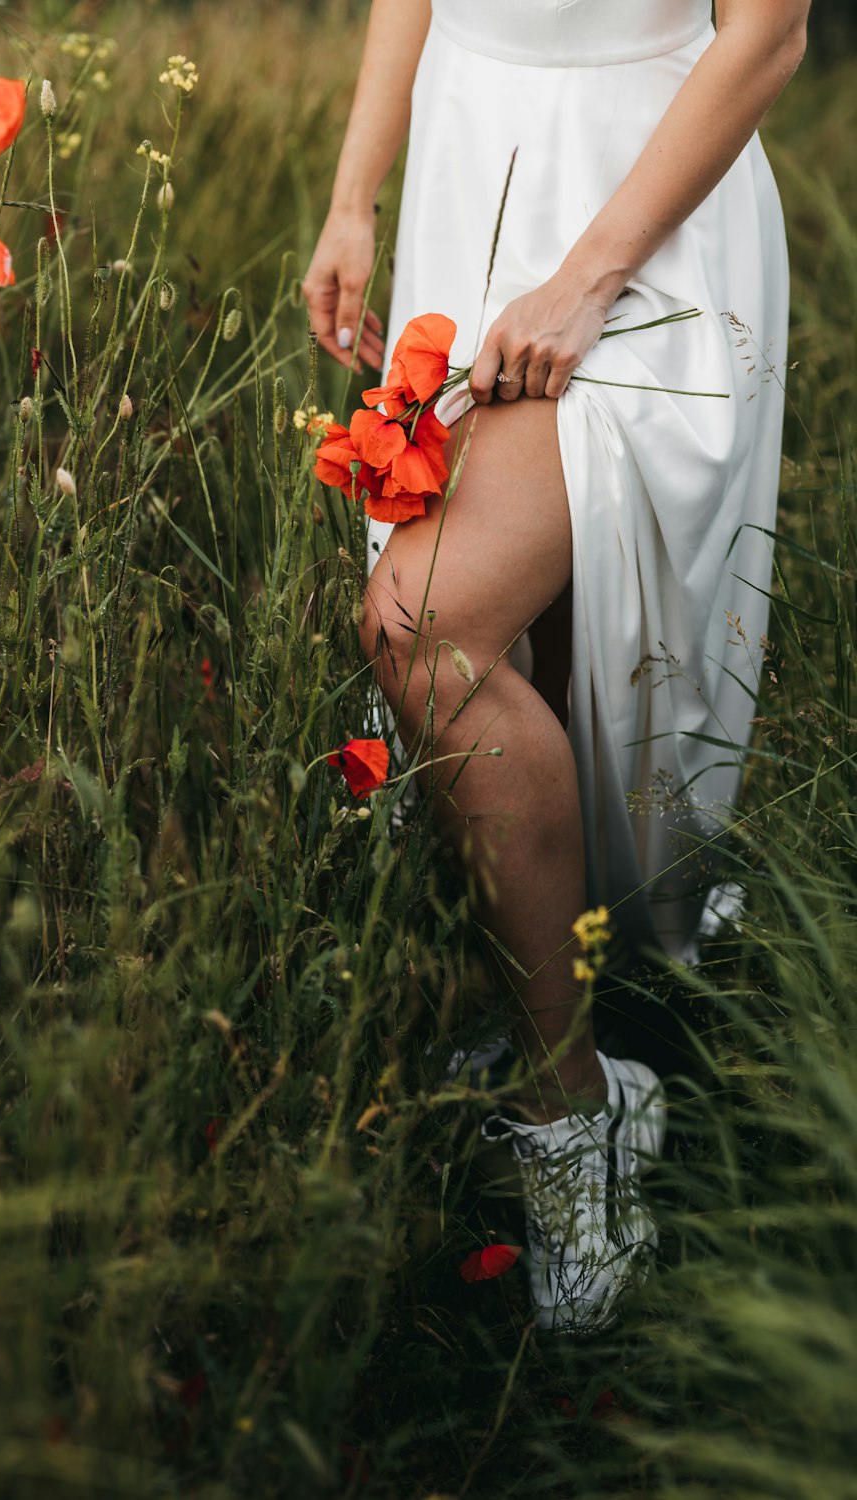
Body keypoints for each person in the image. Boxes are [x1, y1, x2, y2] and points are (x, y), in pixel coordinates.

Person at [303, 0, 809, 1332]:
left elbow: (770, 33)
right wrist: (357, 194)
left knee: (424, 623)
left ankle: (571, 1099)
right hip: (475, 173)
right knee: (533, 637)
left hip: (651, 206)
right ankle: (564, 985)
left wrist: (588, 280)